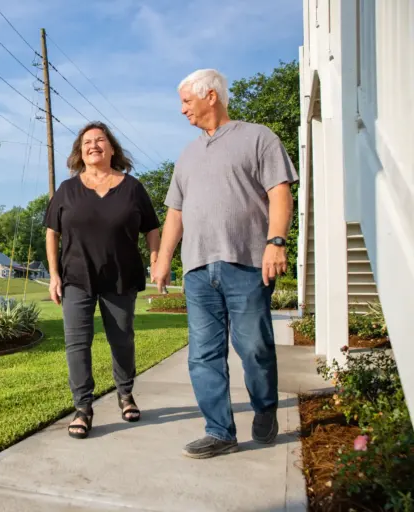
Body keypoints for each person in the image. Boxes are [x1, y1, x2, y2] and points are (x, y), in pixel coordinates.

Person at [154, 69, 298, 458]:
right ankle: (219, 431)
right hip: (198, 269)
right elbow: (175, 212)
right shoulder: (187, 155)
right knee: (203, 355)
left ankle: (264, 407)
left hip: (247, 262)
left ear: (211, 96)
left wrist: (276, 242)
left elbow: (280, 192)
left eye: (187, 101)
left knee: (254, 347)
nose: (182, 109)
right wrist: (164, 258)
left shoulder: (258, 138)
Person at [43, 121, 161, 439]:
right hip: (76, 277)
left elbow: (152, 227)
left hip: (121, 277)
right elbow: (52, 232)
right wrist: (54, 274)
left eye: (100, 140)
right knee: (77, 344)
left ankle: (125, 393)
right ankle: (83, 408)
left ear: (111, 149)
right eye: (87, 142)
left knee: (122, 340)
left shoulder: (132, 187)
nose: (93, 145)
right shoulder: (67, 190)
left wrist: (155, 259)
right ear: (80, 153)